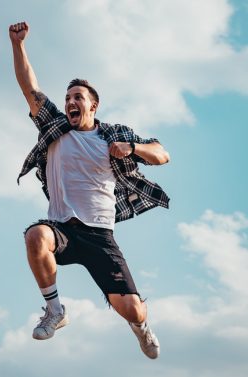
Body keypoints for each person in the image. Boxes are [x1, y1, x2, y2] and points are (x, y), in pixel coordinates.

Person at [9, 21, 170, 359]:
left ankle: (141, 326)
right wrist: (18, 44)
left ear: (93, 106)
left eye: (77, 98)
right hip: (62, 228)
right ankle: (55, 310)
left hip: (99, 235)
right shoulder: (54, 125)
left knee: (132, 309)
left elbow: (161, 153)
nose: (70, 102)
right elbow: (30, 89)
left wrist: (132, 148)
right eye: (68, 97)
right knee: (36, 236)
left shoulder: (112, 134)